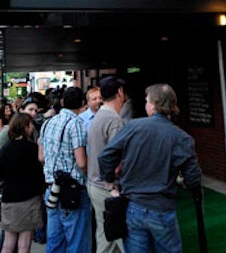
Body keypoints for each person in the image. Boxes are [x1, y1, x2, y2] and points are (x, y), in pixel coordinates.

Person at [98, 83, 202, 253]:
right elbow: (193, 179)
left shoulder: (134, 127)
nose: (145, 104)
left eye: (147, 101)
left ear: (153, 105)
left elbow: (106, 155)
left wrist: (110, 183)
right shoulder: (182, 138)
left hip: (134, 207)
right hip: (162, 208)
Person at [38, 86, 92, 253]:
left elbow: (41, 157)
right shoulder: (75, 124)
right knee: (77, 241)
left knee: (55, 240)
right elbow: (82, 162)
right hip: (72, 191)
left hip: (51, 189)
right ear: (83, 104)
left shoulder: (47, 123)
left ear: (62, 102)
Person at [87, 76, 126, 253]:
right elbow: (116, 160)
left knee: (105, 234)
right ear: (120, 92)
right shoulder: (114, 120)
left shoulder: (98, 116)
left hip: (94, 183)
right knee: (117, 236)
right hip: (108, 187)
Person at [0, 112, 45, 252]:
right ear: (25, 127)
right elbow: (39, 174)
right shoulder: (32, 149)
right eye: (30, 124)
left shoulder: (5, 149)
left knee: (8, 243)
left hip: (9, 199)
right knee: (24, 244)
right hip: (29, 200)